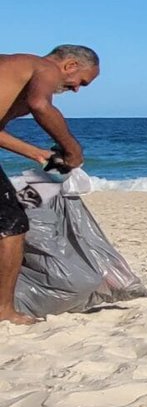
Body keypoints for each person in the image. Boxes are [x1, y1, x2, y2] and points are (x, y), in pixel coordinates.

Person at [0, 45, 100, 327]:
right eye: (81, 82)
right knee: (11, 225)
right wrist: (73, 148)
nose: (77, 89)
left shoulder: (12, 69)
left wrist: (37, 153)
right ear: (69, 65)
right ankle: (4, 311)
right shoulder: (42, 66)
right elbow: (41, 105)